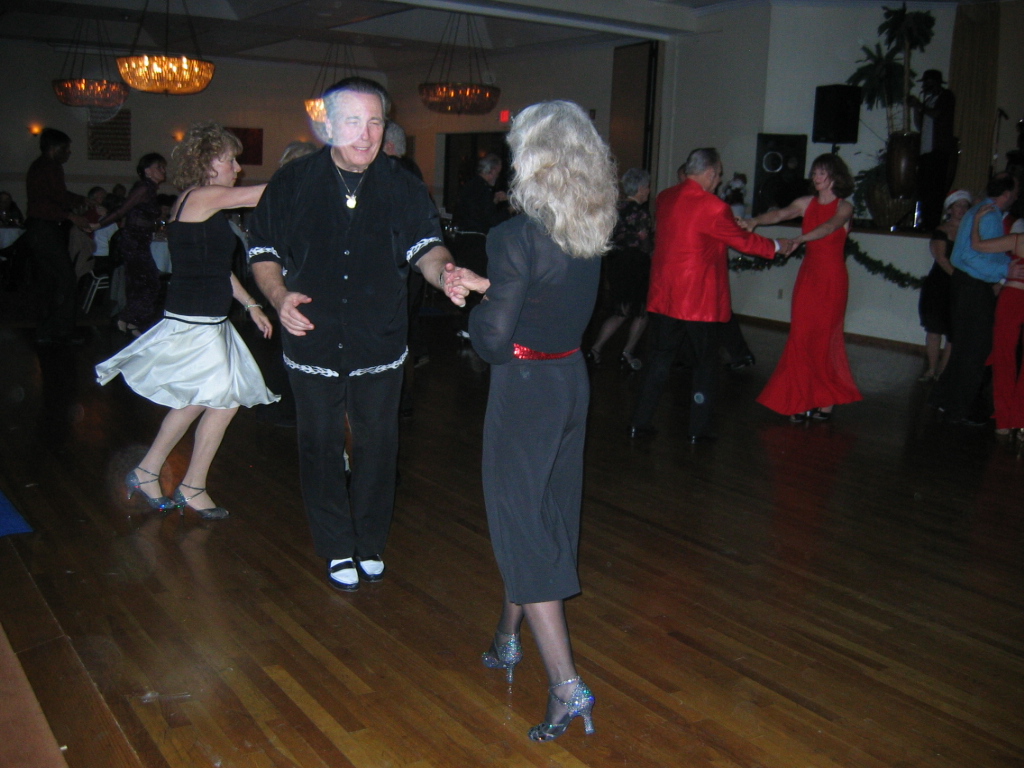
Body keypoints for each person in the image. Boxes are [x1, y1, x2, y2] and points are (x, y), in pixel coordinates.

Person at [248, 77, 467, 592]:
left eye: (375, 122)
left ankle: (369, 541)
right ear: (327, 126)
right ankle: (334, 544)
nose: (366, 135)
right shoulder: (294, 182)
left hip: (378, 338)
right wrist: (278, 296)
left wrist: (447, 273)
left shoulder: (402, 185)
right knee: (320, 444)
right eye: (352, 122)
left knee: (378, 446)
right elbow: (262, 249)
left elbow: (426, 248)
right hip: (313, 334)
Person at [454, 100, 617, 742]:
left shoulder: (513, 235)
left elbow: (495, 340)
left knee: (523, 527)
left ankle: (566, 688)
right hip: (570, 382)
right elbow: (548, 300)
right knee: (541, 517)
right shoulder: (590, 227)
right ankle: (506, 637)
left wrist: (476, 306)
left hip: (524, 391)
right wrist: (494, 287)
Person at [95, 122, 276, 519]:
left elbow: (216, 267)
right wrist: (317, 167)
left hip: (204, 319)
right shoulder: (204, 197)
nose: (238, 168)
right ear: (208, 162)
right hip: (197, 323)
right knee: (222, 402)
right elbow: (266, 193)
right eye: (230, 160)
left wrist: (251, 304)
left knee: (203, 401)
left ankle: (151, 472)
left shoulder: (197, 201)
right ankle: (188, 484)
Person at [629, 148, 788, 444]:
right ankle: (698, 430)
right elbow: (743, 242)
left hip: (665, 296)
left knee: (659, 361)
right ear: (710, 173)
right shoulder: (713, 206)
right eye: (719, 175)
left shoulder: (665, 198)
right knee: (704, 366)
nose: (719, 181)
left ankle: (639, 422)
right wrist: (777, 246)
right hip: (698, 301)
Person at [742, 153, 862, 422]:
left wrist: (800, 239)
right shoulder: (806, 203)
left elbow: (830, 227)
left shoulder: (845, 207)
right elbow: (781, 213)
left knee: (825, 338)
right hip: (808, 277)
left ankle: (825, 399)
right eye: (814, 172)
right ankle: (798, 400)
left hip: (832, 279)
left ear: (835, 177)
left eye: (822, 173)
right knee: (801, 336)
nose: (816, 177)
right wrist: (755, 221)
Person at [929, 173, 1020, 424]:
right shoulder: (988, 215)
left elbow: (978, 254)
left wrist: (1004, 265)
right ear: (1007, 194)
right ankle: (960, 409)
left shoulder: (981, 211)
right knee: (975, 350)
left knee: (965, 347)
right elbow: (973, 256)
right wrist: (1006, 270)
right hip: (974, 287)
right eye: (1015, 191)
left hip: (966, 285)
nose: (1016, 195)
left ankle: (943, 399)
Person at [24, 127, 91, 344]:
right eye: (66, 148)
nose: (68, 153)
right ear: (54, 148)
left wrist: (80, 200)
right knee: (65, 279)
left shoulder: (42, 166)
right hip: (44, 229)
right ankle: (62, 330)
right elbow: (43, 205)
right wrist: (71, 216)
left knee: (49, 281)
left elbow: (57, 196)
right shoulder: (48, 167)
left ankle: (46, 330)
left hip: (40, 229)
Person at [92, 153, 168, 335]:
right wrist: (99, 224)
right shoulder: (143, 187)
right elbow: (122, 210)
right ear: (147, 171)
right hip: (134, 241)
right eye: (159, 167)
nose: (163, 170)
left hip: (139, 241)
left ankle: (131, 322)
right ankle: (126, 318)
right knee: (150, 282)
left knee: (141, 283)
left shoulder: (150, 189)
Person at [586, 167, 652, 370]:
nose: (648, 191)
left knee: (620, 311)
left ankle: (596, 349)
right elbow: (645, 245)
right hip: (635, 265)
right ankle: (627, 352)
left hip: (616, 263)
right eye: (647, 187)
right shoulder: (640, 213)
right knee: (641, 311)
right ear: (640, 188)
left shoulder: (615, 208)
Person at [970, 202, 1024, 444]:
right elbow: (977, 246)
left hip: (1012, 298)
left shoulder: (1018, 240)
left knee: (1004, 358)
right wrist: (976, 221)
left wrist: (976, 221)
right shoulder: (1017, 239)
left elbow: (977, 245)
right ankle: (1011, 419)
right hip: (1012, 299)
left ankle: (1011, 419)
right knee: (1003, 357)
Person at [918, 190, 972, 381]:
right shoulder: (941, 230)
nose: (962, 209)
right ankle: (931, 369)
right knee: (934, 329)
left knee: (953, 332)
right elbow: (941, 258)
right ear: (950, 209)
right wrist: (959, 278)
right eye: (958, 205)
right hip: (939, 285)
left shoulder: (972, 232)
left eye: (965, 206)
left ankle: (942, 372)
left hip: (961, 285)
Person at [910, 70, 956, 230]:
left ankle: (932, 224)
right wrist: (916, 109)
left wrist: (919, 105)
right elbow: (920, 125)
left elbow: (938, 115)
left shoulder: (946, 96)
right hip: (925, 152)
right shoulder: (928, 100)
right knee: (924, 190)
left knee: (935, 190)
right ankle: (923, 223)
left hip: (938, 151)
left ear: (936, 82)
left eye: (928, 82)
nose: (925, 86)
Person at [451, 153, 509, 281]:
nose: (497, 176)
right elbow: (491, 220)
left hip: (462, 239)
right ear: (492, 171)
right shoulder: (483, 189)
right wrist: (509, 210)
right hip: (475, 242)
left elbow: (476, 211)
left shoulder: (471, 185)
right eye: (497, 173)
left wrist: (493, 202)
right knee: (477, 278)